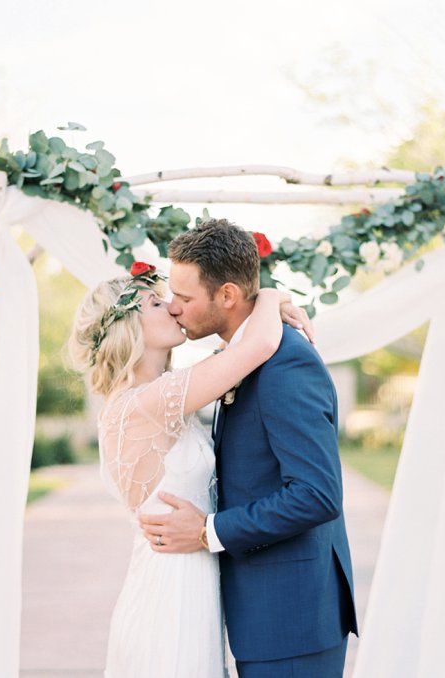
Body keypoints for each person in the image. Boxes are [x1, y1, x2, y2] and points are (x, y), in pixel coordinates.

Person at [67, 258, 312, 677]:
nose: (174, 308)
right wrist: (268, 295)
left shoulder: (157, 398)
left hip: (186, 576)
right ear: (129, 326)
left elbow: (234, 355)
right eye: (156, 304)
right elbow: (257, 347)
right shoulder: (144, 404)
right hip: (169, 593)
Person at [138, 219, 358, 678]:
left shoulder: (285, 363)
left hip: (291, 617)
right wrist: (273, 297)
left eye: (184, 297)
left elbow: (317, 494)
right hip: (262, 611)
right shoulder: (244, 355)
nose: (174, 308)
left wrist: (206, 531)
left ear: (228, 295)